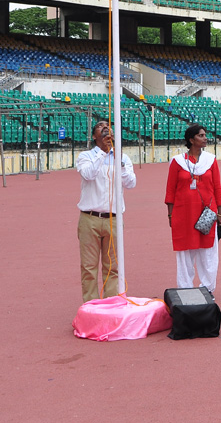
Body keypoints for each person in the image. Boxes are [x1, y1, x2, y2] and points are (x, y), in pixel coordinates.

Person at [75, 120, 137, 303]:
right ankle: (91, 305)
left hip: (114, 219)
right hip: (90, 219)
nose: (105, 128)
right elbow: (88, 174)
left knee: (113, 267)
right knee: (88, 267)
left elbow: (131, 183)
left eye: (108, 126)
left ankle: (111, 304)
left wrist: (119, 160)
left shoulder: (122, 158)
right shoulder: (85, 156)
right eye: (100, 126)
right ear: (94, 136)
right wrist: (103, 154)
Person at [165, 124, 221, 292]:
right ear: (191, 140)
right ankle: (185, 289)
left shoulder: (210, 160)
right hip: (183, 214)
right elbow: (170, 189)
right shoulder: (177, 162)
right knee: (185, 253)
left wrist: (220, 213)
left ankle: (207, 289)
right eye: (201, 135)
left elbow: (217, 187)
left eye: (205, 135)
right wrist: (170, 215)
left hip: (207, 213)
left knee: (208, 253)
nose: (205, 138)